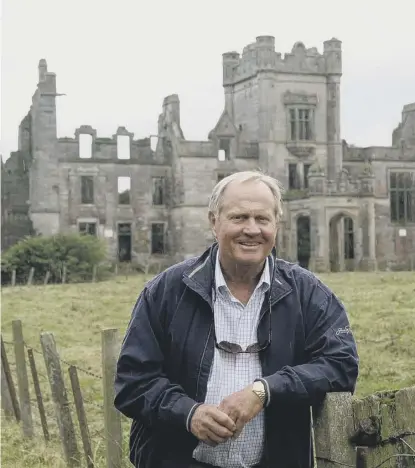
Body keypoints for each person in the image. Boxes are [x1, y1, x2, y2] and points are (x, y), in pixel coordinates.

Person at [114, 171, 359, 468]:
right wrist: (188, 414)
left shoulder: (308, 293)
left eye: (262, 219)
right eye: (239, 217)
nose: (252, 229)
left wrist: (265, 391)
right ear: (214, 221)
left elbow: (341, 365)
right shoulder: (166, 291)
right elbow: (133, 383)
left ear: (276, 225)